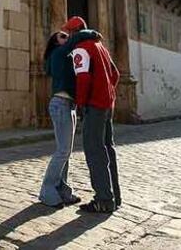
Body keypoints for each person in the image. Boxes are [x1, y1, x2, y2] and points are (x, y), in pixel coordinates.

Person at [62, 16, 121, 214]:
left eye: (69, 33)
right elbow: (115, 74)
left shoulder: (80, 49)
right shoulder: (100, 46)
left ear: (73, 33)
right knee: (108, 149)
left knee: (94, 151)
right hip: (107, 104)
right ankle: (115, 196)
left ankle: (104, 199)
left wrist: (80, 104)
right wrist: (108, 92)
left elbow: (83, 79)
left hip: (94, 106)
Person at [39, 24, 100, 209]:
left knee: (65, 151)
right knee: (62, 151)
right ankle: (47, 190)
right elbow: (75, 39)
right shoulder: (58, 52)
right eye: (63, 36)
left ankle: (62, 190)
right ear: (56, 42)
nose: (67, 37)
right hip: (61, 104)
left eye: (67, 36)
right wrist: (91, 33)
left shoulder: (65, 56)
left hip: (68, 105)